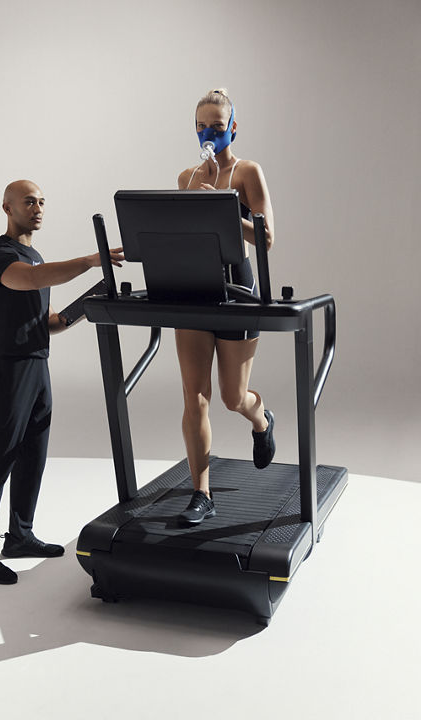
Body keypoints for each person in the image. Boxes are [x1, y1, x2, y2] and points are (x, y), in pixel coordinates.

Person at [0, 179, 123, 584]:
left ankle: (20, 535)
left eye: (41, 202)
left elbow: (48, 322)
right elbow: (32, 281)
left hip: (38, 366)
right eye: (28, 201)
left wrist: (89, 301)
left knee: (33, 456)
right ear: (7, 207)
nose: (37, 208)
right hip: (8, 368)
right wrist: (90, 261)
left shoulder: (35, 256)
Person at [176, 88, 276, 527]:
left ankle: (261, 419)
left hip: (237, 285)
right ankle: (202, 493)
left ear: (232, 127)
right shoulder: (187, 177)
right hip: (195, 286)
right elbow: (178, 234)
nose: (209, 132)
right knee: (195, 397)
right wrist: (192, 197)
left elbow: (266, 238)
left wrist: (220, 207)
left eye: (217, 126)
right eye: (202, 126)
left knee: (234, 398)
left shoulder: (247, 172)